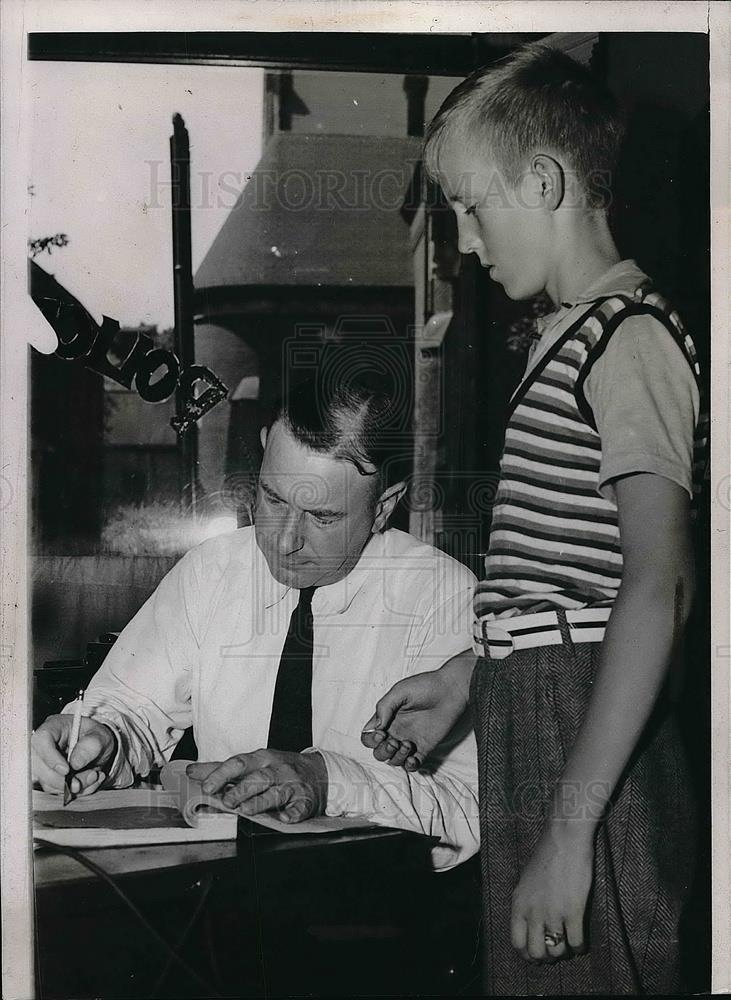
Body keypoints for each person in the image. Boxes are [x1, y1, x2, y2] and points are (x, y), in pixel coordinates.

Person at [362, 43, 706, 994]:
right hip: (537, 715)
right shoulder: (566, 340)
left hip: (587, 746)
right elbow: (571, 584)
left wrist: (568, 831)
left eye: (471, 207)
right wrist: (472, 675)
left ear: (544, 180)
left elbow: (657, 587)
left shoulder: (626, 339)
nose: (464, 242)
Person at [32, 374, 479, 871]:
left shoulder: (442, 597)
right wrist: (104, 741)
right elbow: (132, 708)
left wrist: (326, 780)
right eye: (273, 498)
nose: (284, 541)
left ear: (384, 508)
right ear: (265, 451)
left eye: (323, 517)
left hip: (378, 916)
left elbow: (469, 813)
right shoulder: (211, 570)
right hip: (218, 902)